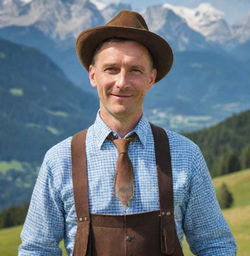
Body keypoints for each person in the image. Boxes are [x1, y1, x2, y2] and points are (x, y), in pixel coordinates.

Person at [19, 10, 236, 256]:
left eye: (135, 70)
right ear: (93, 75)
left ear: (151, 78)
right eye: (111, 69)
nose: (122, 82)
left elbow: (216, 247)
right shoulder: (59, 160)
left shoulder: (186, 155)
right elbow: (36, 250)